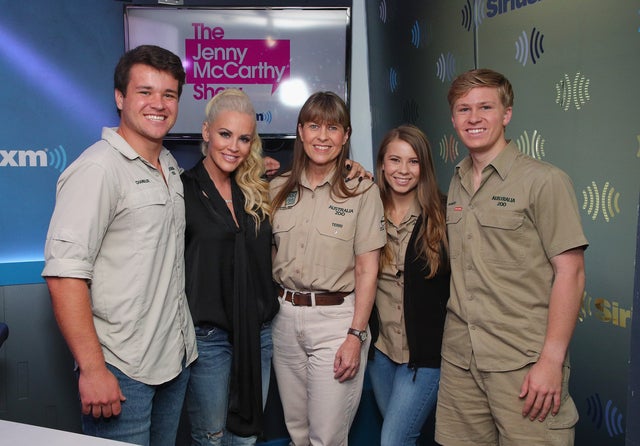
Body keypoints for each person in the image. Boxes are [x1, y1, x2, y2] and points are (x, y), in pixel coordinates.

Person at [42, 45, 197, 445]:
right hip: (122, 370)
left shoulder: (169, 167)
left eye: (169, 95)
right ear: (119, 97)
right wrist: (93, 370)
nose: (158, 104)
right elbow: (65, 276)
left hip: (173, 360)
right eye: (145, 92)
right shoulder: (98, 169)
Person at [434, 68, 588, 445]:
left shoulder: (544, 181)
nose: (474, 118)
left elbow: (571, 274)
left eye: (485, 107)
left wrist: (551, 360)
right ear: (453, 119)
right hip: (461, 361)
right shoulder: (454, 180)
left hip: (523, 364)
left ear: (506, 114)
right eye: (463, 109)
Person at [269, 91, 386, 445]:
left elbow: (368, 270)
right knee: (298, 432)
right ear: (301, 131)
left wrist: (355, 335)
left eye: (333, 128)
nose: (322, 136)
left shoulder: (362, 191)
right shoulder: (277, 188)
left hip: (336, 323)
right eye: (314, 126)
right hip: (284, 318)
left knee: (327, 437)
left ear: (345, 136)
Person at [181, 88, 279, 445]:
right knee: (212, 437)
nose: (233, 146)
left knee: (247, 438)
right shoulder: (182, 190)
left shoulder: (257, 189)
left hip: (259, 334)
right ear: (207, 132)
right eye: (225, 134)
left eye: (243, 139)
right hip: (209, 338)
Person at [367, 125, 450, 446]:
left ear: (424, 166)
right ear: (382, 164)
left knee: (394, 439)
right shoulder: (367, 210)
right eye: (394, 160)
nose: (403, 170)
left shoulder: (443, 215)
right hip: (381, 352)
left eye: (413, 161)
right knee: (400, 437)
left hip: (425, 358)